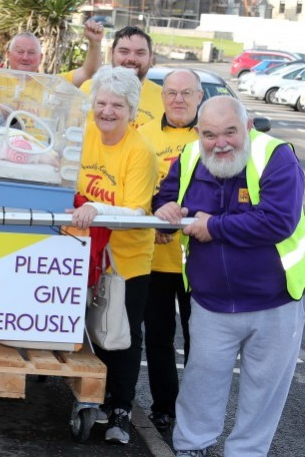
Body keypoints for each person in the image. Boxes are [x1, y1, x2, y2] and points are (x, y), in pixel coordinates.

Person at [154, 96, 305, 457]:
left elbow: (279, 221)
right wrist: (164, 210)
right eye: (209, 135)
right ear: (197, 133)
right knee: (201, 381)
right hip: (211, 301)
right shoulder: (190, 157)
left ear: (248, 126)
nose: (220, 143)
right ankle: (192, 446)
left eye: (230, 132)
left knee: (264, 389)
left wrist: (214, 227)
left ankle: (246, 453)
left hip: (275, 301)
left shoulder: (276, 156)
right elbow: (165, 199)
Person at [70, 65, 157, 445]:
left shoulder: (140, 152)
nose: (107, 111)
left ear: (132, 111)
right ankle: (95, 397)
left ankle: (121, 408)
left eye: (117, 105)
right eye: (101, 103)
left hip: (126, 259)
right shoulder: (85, 134)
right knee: (92, 329)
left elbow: (137, 211)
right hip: (86, 251)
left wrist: (95, 207)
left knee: (120, 336)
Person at [138, 68, 202, 432]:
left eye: (186, 93)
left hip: (199, 262)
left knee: (201, 341)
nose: (178, 99)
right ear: (162, 99)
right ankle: (165, 406)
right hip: (156, 257)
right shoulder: (143, 135)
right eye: (171, 93)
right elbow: (136, 190)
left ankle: (194, 409)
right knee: (159, 337)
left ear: (199, 98)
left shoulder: (212, 137)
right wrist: (153, 219)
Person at [76, 26, 163, 128]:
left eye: (140, 53)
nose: (131, 58)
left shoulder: (164, 98)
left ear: (150, 57)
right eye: (124, 52)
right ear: (111, 53)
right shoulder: (88, 89)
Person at [7, 19, 105, 88]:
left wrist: (95, 43)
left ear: (40, 58)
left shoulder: (51, 85)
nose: (25, 57)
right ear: (8, 55)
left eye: (31, 53)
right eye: (20, 52)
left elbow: (88, 73)